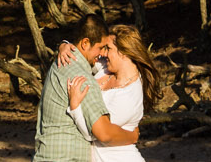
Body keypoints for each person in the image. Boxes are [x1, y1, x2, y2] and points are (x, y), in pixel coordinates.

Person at [34, 15, 137, 161]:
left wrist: (63, 44)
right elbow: (104, 133)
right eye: (101, 47)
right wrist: (132, 136)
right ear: (85, 43)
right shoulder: (81, 78)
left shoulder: (60, 64)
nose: (102, 53)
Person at [64, 24, 160, 162]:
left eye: (108, 48)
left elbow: (94, 133)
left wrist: (75, 107)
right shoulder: (106, 67)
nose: (103, 53)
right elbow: (85, 55)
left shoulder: (129, 96)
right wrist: (65, 45)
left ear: (124, 52)